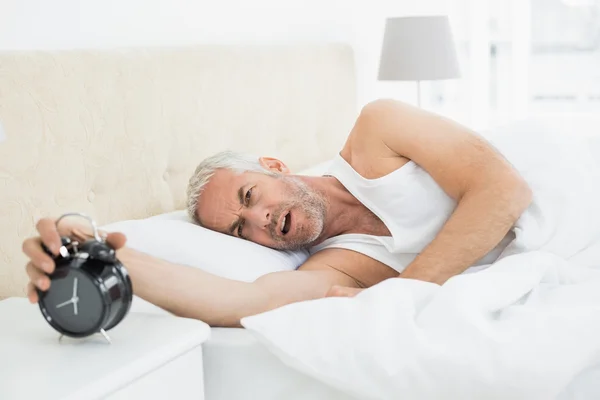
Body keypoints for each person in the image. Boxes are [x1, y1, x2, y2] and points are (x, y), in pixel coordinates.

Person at [22, 99, 533, 327]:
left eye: (249, 196)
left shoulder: (379, 129)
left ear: (272, 166)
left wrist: (403, 293)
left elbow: (504, 189)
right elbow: (235, 302)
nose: (260, 220)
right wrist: (107, 251)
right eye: (241, 231)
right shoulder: (337, 267)